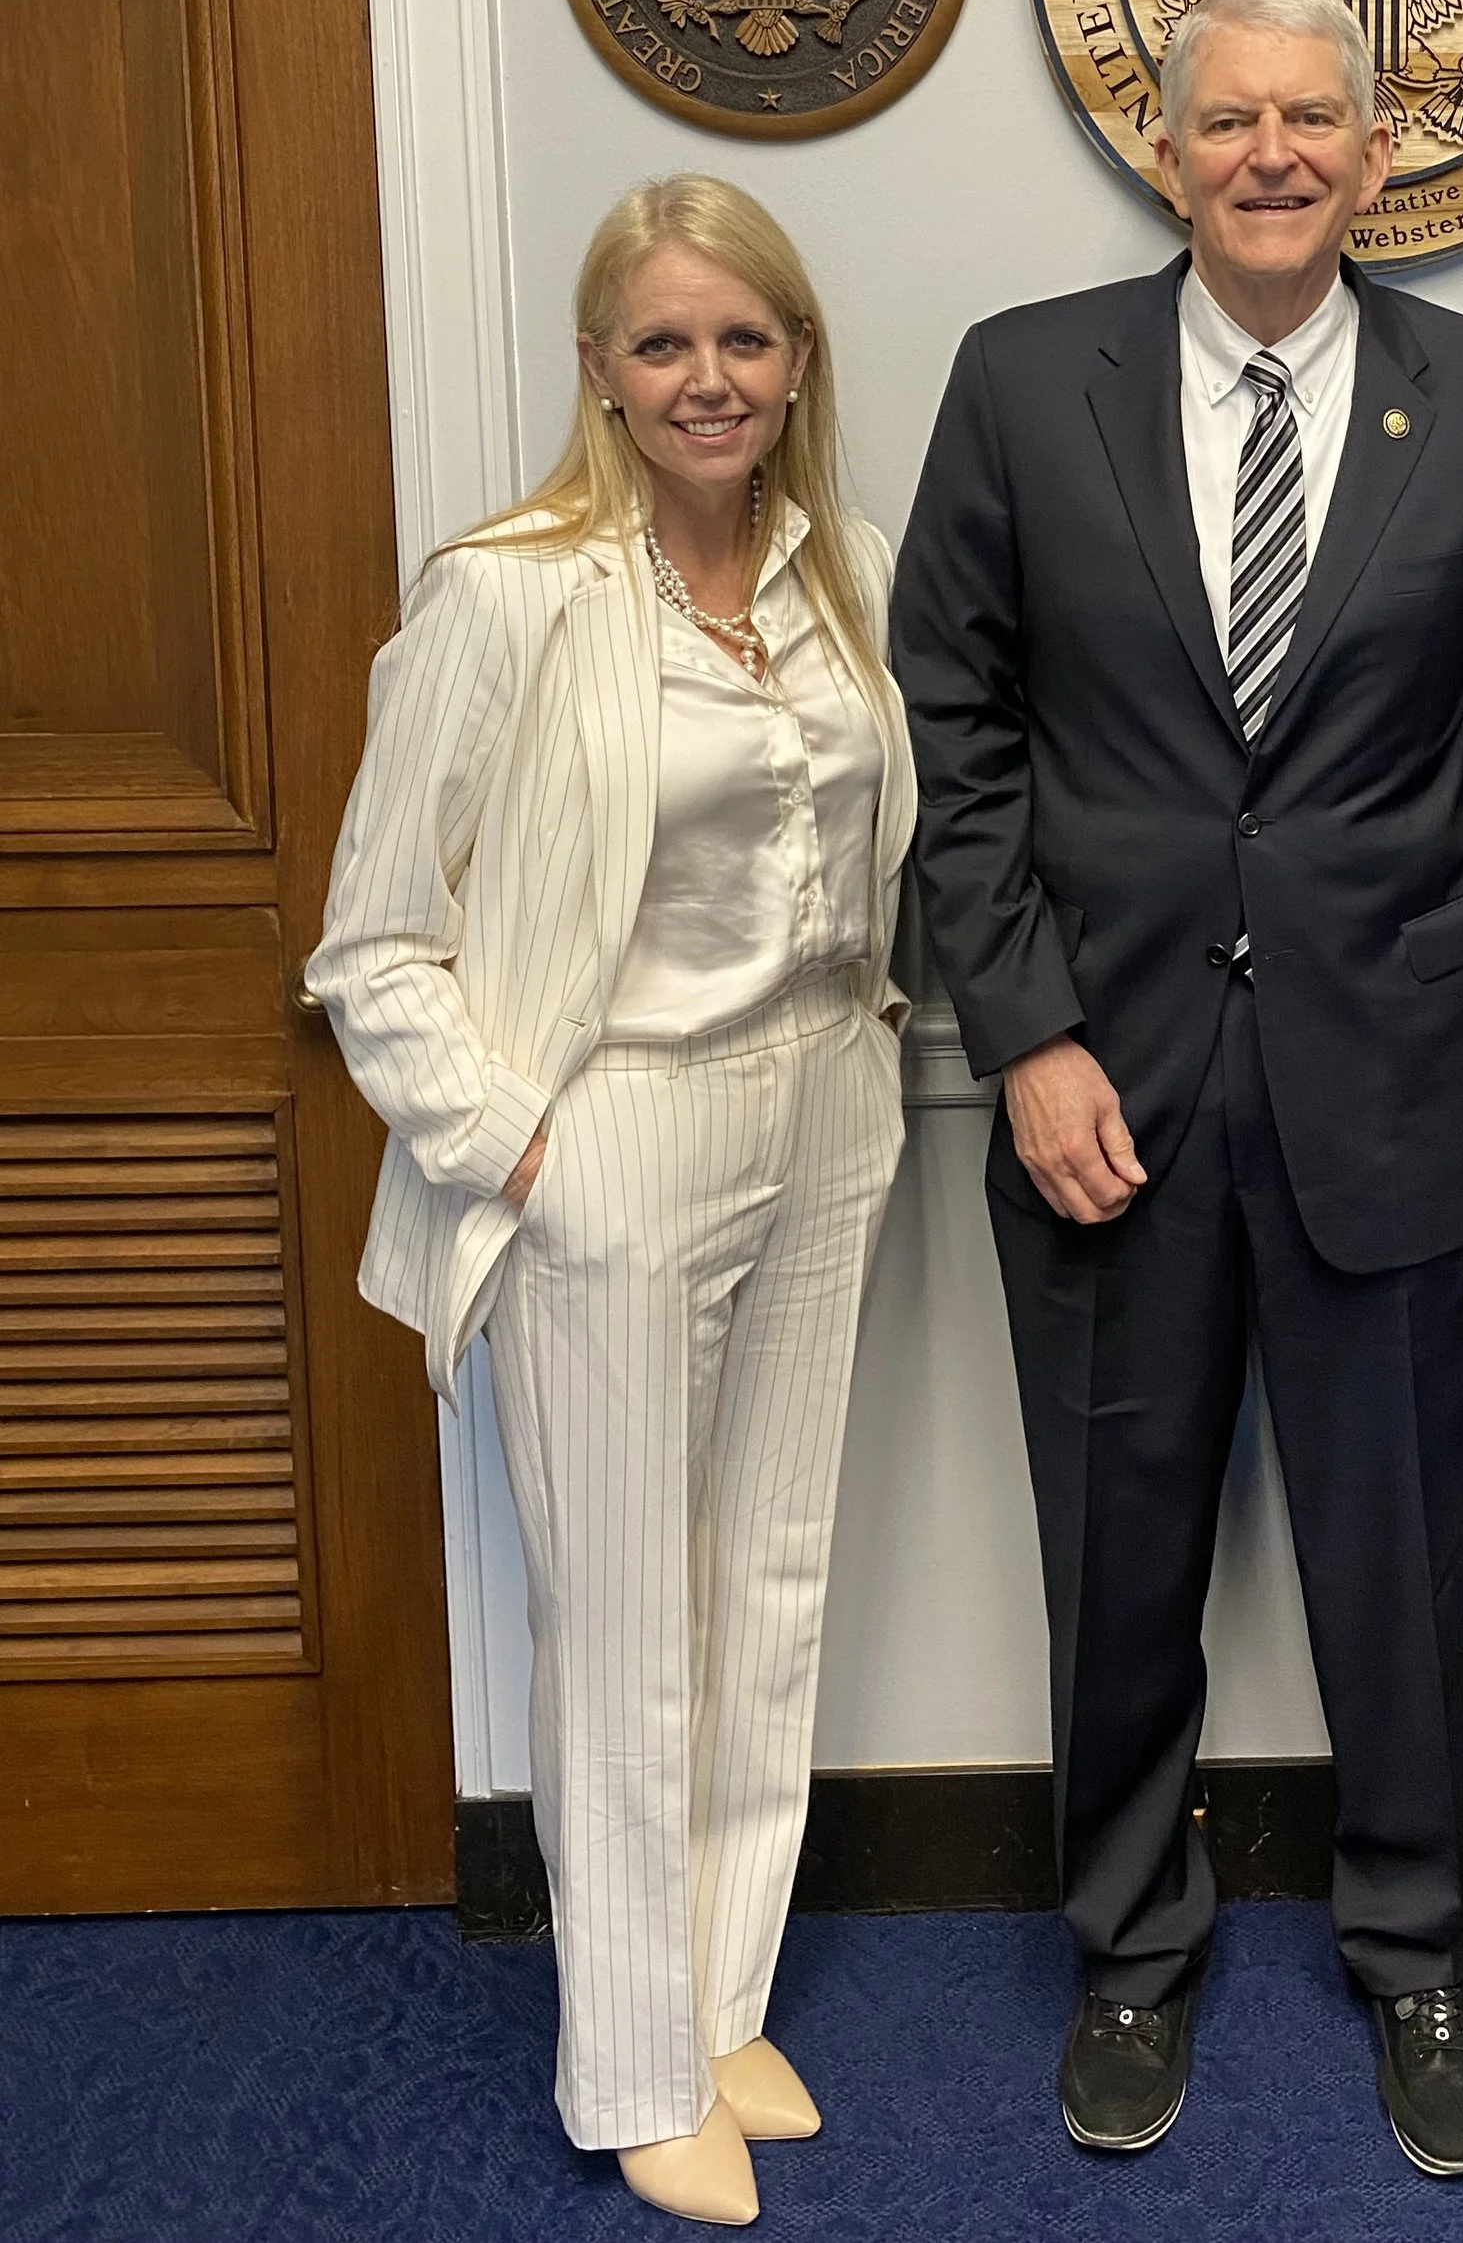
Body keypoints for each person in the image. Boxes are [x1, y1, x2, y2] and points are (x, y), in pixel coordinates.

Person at [892, 0, 1463, 2178]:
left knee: (1404, 1555)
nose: (1271, 151)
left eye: (1314, 118)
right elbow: (955, 727)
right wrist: (1017, 1034)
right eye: (1229, 120)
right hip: (1101, 1088)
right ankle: (1125, 1941)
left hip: (1397, 1077)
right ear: (1161, 149)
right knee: (1116, 1553)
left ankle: (1416, 1946)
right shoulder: (1020, 382)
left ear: (1376, 157)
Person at [309, 177, 916, 2229]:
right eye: (661, 342)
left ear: (797, 357)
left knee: (772, 1576)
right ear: (597, 370)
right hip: (615, 1131)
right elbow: (371, 940)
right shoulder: (508, 592)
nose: (706, 377)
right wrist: (512, 1143)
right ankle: (632, 2063)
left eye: (742, 338)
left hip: (829, 1100)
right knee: (626, 1621)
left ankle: (722, 1991)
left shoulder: (845, 575)